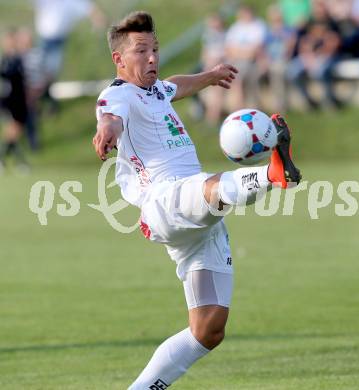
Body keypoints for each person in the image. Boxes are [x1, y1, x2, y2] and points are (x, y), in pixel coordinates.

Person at [93, 12, 301, 389]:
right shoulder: (117, 94)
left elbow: (175, 85)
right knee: (210, 189)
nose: (152, 57)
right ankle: (273, 174)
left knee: (208, 329)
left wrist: (209, 77)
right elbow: (110, 116)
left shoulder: (156, 90)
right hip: (163, 200)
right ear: (119, 60)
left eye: (154, 49)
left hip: (196, 223)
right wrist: (106, 130)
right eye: (141, 51)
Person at [287, 0, 342, 109]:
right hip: (309, 56)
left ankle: (329, 101)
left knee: (320, 71)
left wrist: (319, 55)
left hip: (327, 56)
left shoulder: (332, 23)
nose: (318, 10)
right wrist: (308, 56)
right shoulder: (309, 22)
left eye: (321, 6)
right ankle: (309, 102)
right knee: (292, 71)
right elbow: (304, 42)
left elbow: (333, 43)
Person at [224, 5, 267, 110]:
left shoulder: (258, 26)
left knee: (237, 79)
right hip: (236, 60)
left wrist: (238, 52)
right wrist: (243, 52)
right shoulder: (236, 27)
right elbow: (228, 48)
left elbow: (255, 50)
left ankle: (239, 110)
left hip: (250, 61)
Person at [0, 29, 29, 172]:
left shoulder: (18, 58)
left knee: (14, 132)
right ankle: (19, 163)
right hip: (9, 100)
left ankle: (8, 161)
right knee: (13, 131)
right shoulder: (5, 60)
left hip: (20, 99)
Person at [200, 14, 227, 125]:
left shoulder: (226, 35)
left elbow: (226, 52)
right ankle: (202, 109)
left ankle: (213, 115)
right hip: (209, 65)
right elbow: (204, 53)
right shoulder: (208, 35)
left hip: (220, 65)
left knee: (217, 89)